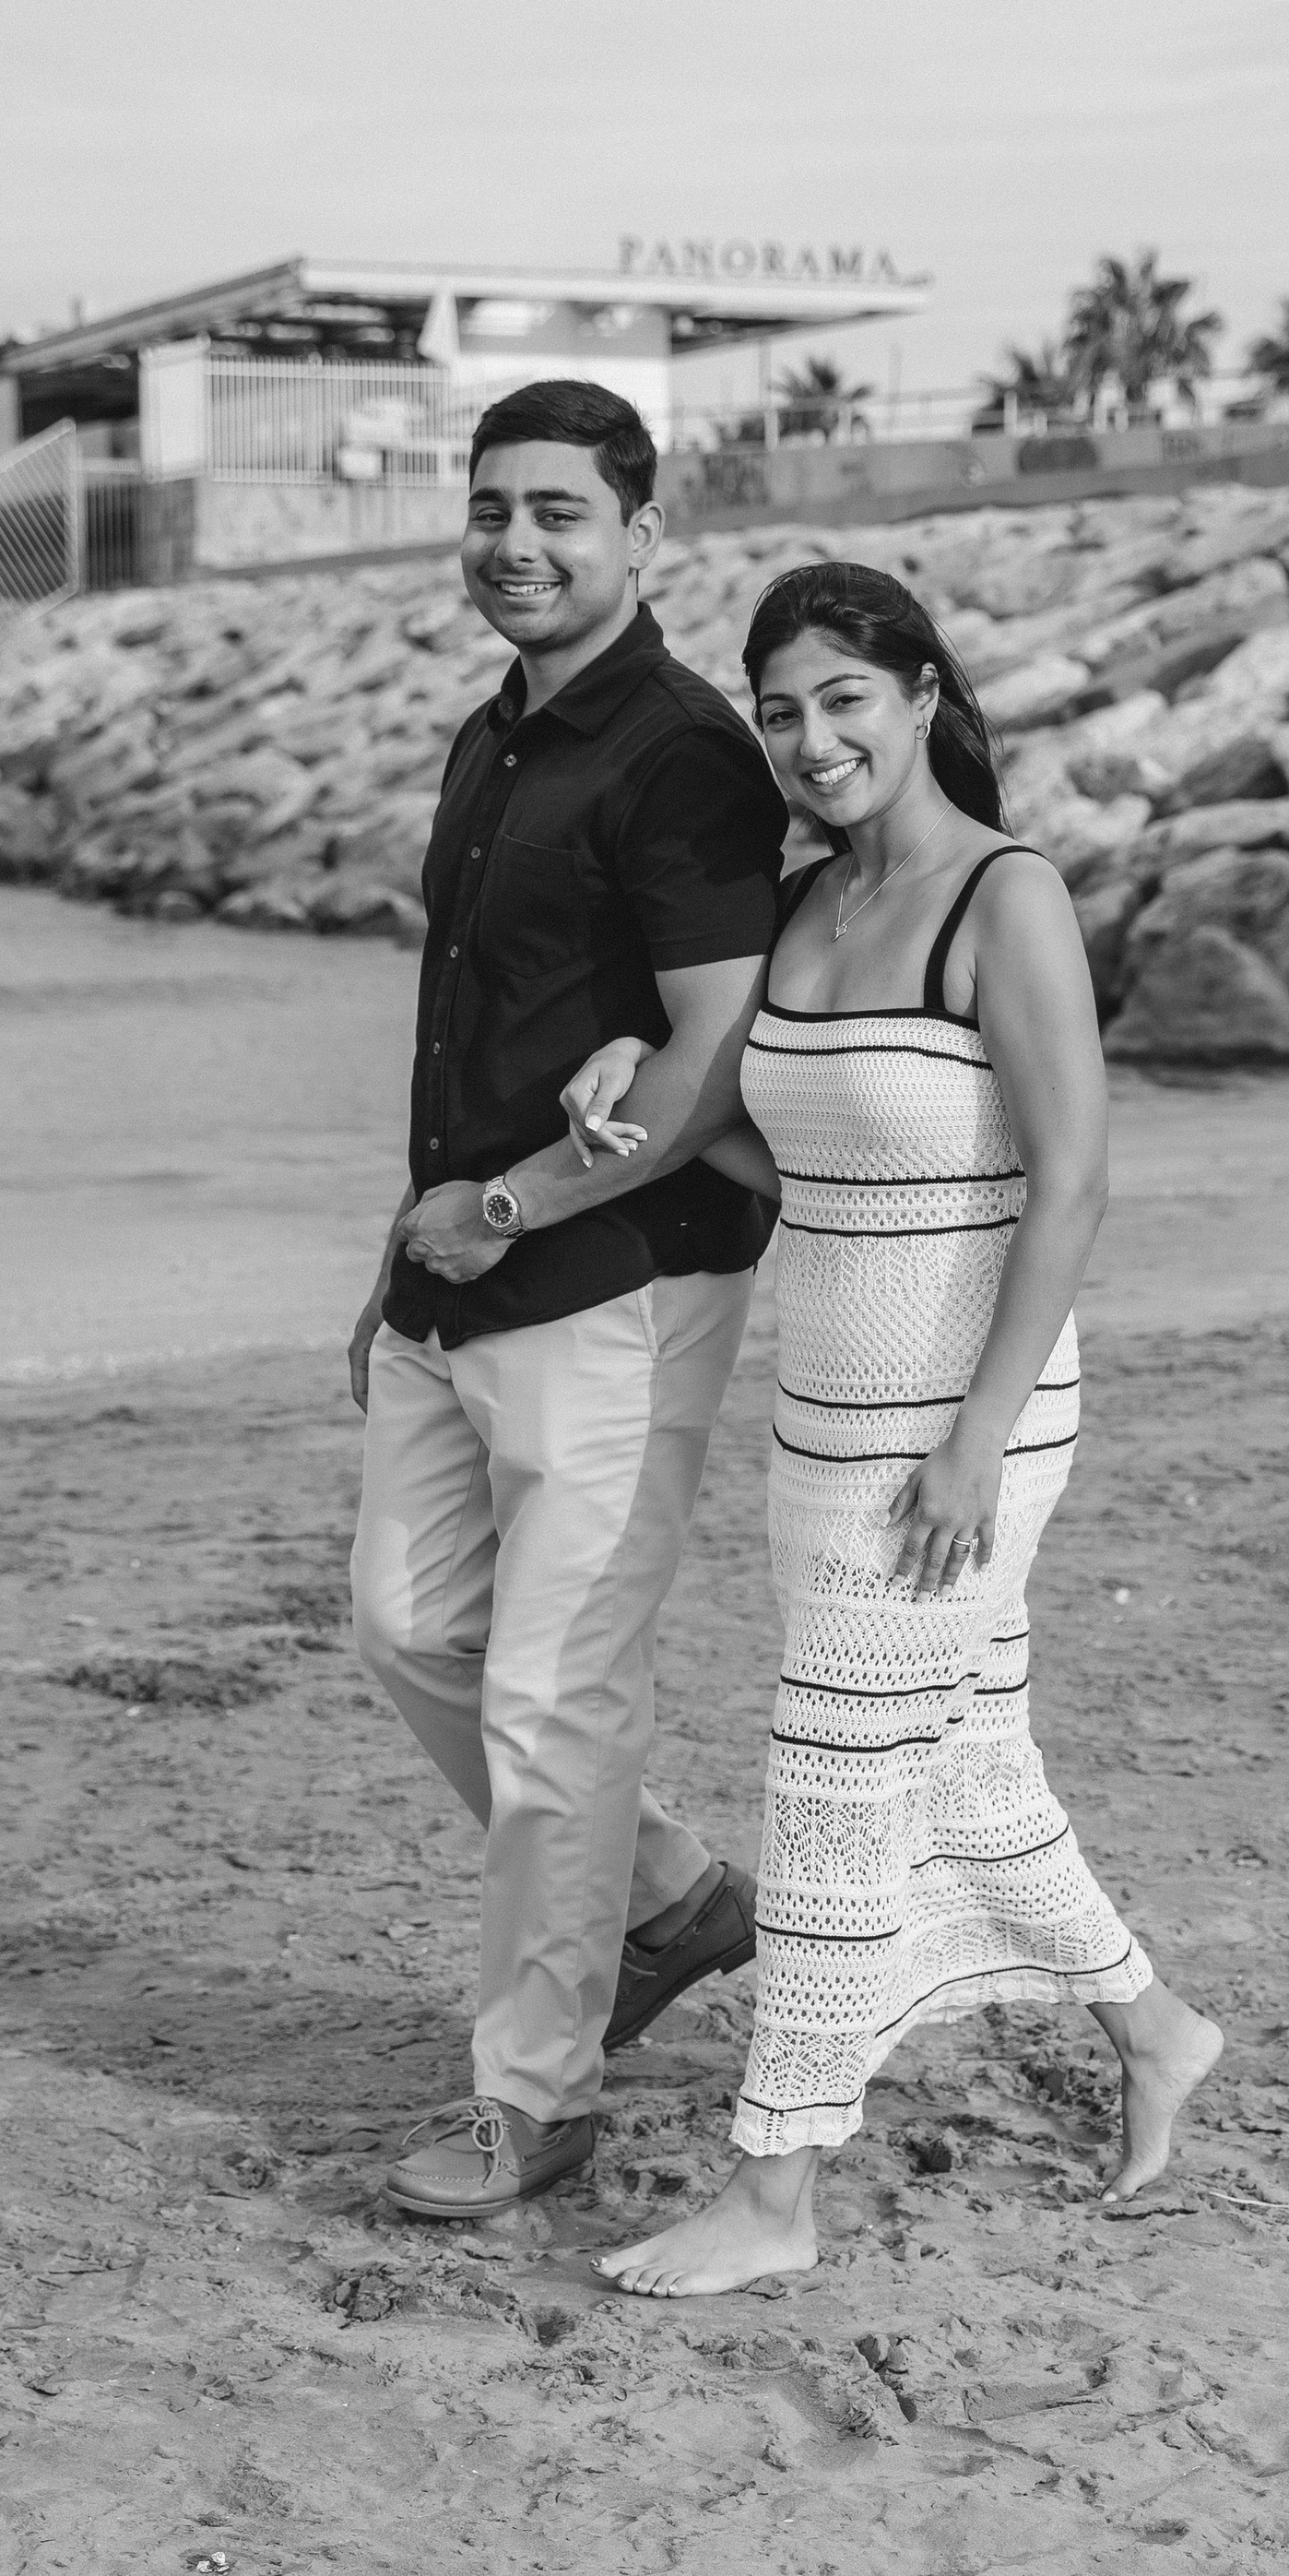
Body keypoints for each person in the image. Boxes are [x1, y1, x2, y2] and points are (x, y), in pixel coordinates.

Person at [561, 562, 1224, 2297]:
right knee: (965, 1767)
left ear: (923, 695)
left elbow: (1072, 1184)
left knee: (835, 1786)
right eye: (779, 711)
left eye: (843, 698)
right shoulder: (801, 908)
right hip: (826, 1418)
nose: (810, 739)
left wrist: (977, 1441)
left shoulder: (1006, 896)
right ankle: (1159, 2030)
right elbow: (779, 1148)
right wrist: (629, 1076)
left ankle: (775, 2190)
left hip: (966, 1424)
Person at [346, 378, 786, 2223]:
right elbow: (474, 1032)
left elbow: (710, 1055)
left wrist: (512, 1205)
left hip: (615, 1283)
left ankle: (533, 2100)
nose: (515, 545)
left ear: (639, 533)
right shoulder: (496, 734)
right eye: (491, 510)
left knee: (550, 1700)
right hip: (453, 1280)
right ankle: (669, 1896)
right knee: (403, 1627)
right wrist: (399, 1258)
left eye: (558, 514)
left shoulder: (682, 755)